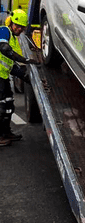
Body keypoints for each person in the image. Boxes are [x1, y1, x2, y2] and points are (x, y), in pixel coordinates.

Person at [0, 9, 39, 147]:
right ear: (12, 23)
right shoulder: (4, 31)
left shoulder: (13, 39)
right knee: (2, 107)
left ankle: (6, 132)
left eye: (22, 27)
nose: (19, 29)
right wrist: (26, 59)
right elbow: (4, 49)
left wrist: (30, 79)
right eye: (17, 25)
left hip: (3, 77)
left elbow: (11, 65)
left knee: (9, 104)